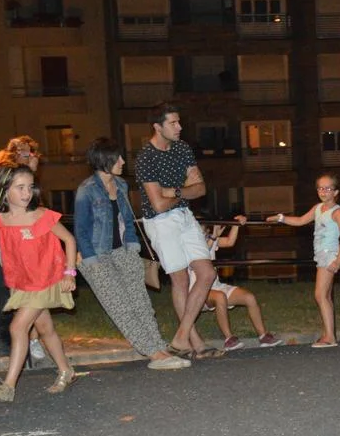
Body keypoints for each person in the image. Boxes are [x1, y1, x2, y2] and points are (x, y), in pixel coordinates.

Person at [74, 137, 190, 371]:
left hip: (124, 252)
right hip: (96, 256)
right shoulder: (86, 190)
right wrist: (92, 261)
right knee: (121, 307)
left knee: (142, 303)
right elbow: (81, 230)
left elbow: (127, 219)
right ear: (105, 159)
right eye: (118, 157)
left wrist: (133, 247)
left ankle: (159, 347)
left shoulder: (121, 185)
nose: (123, 162)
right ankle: (153, 353)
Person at [0, 166, 78, 403]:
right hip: (22, 283)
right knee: (45, 329)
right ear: (5, 190)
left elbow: (69, 239)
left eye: (30, 187)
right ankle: (66, 371)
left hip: (45, 280)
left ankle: (8, 387)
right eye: (20, 188)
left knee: (17, 328)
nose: (27, 193)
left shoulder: (41, 215)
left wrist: (69, 273)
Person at [135, 102, 225, 360]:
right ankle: (195, 344)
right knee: (181, 279)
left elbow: (201, 188)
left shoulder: (182, 148)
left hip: (185, 216)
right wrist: (184, 191)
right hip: (160, 221)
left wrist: (173, 191)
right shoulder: (146, 157)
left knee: (207, 273)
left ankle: (181, 337)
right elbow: (158, 204)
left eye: (179, 121)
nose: (179, 127)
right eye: (173, 123)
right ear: (157, 126)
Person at [268, 173, 340, 348]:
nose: (323, 191)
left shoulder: (338, 212)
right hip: (320, 255)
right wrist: (281, 218)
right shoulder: (318, 208)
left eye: (328, 188)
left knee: (320, 295)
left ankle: (330, 337)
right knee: (325, 296)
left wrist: (338, 260)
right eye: (320, 188)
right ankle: (329, 334)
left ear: (336, 192)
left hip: (329, 255)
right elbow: (300, 221)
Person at [0, 135, 45, 360]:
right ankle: (28, 336)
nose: (27, 156)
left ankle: (34, 337)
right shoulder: (6, 174)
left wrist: (33, 172)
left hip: (32, 239)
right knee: (20, 291)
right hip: (11, 241)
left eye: (30, 152)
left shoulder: (30, 183)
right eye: (23, 151)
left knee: (37, 290)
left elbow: (37, 207)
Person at [193, 215, 283, 351]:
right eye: (197, 232)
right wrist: (213, 237)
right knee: (220, 297)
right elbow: (201, 256)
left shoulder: (210, 240)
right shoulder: (188, 245)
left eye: (203, 232)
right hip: (196, 291)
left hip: (215, 287)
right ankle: (229, 339)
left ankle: (263, 336)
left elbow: (229, 242)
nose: (201, 235)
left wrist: (236, 224)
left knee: (249, 297)